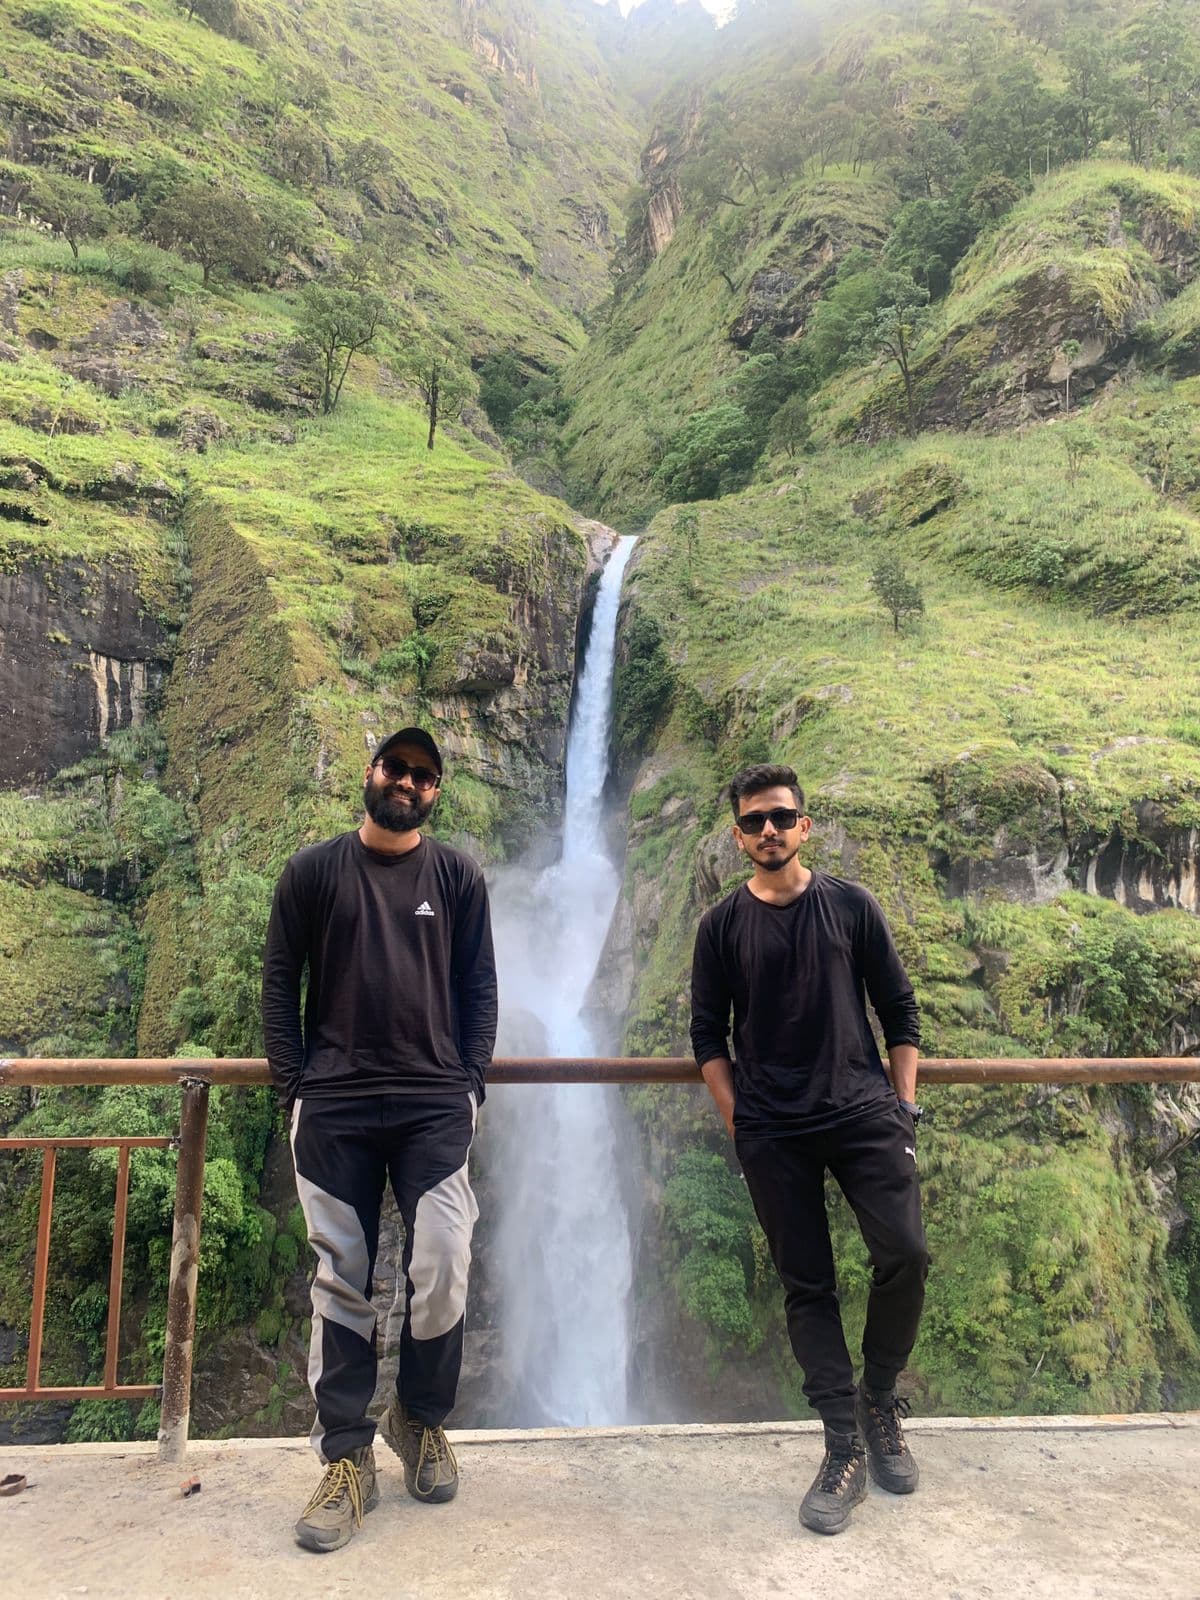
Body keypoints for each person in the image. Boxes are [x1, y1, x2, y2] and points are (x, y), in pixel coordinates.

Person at [262, 727, 497, 1553]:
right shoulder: (313, 872)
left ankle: (419, 1420)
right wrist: (295, 1088)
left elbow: (479, 988)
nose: (405, 782)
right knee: (344, 1280)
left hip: (435, 1102)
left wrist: (470, 1084)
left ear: (436, 792)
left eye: (422, 775)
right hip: (336, 1107)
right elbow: (278, 979)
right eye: (394, 767)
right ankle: (347, 1458)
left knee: (443, 1258)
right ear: (371, 774)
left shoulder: (458, 875)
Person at [689, 763, 928, 1536]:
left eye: (782, 818)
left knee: (906, 1255)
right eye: (755, 821)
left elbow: (899, 1010)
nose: (769, 831)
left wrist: (904, 1107)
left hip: (864, 1115)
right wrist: (738, 1123)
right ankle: (842, 1446)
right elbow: (706, 1036)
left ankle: (880, 1395)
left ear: (805, 825)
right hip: (773, 1133)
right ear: (737, 836)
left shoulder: (851, 907)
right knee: (808, 1285)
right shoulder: (720, 926)